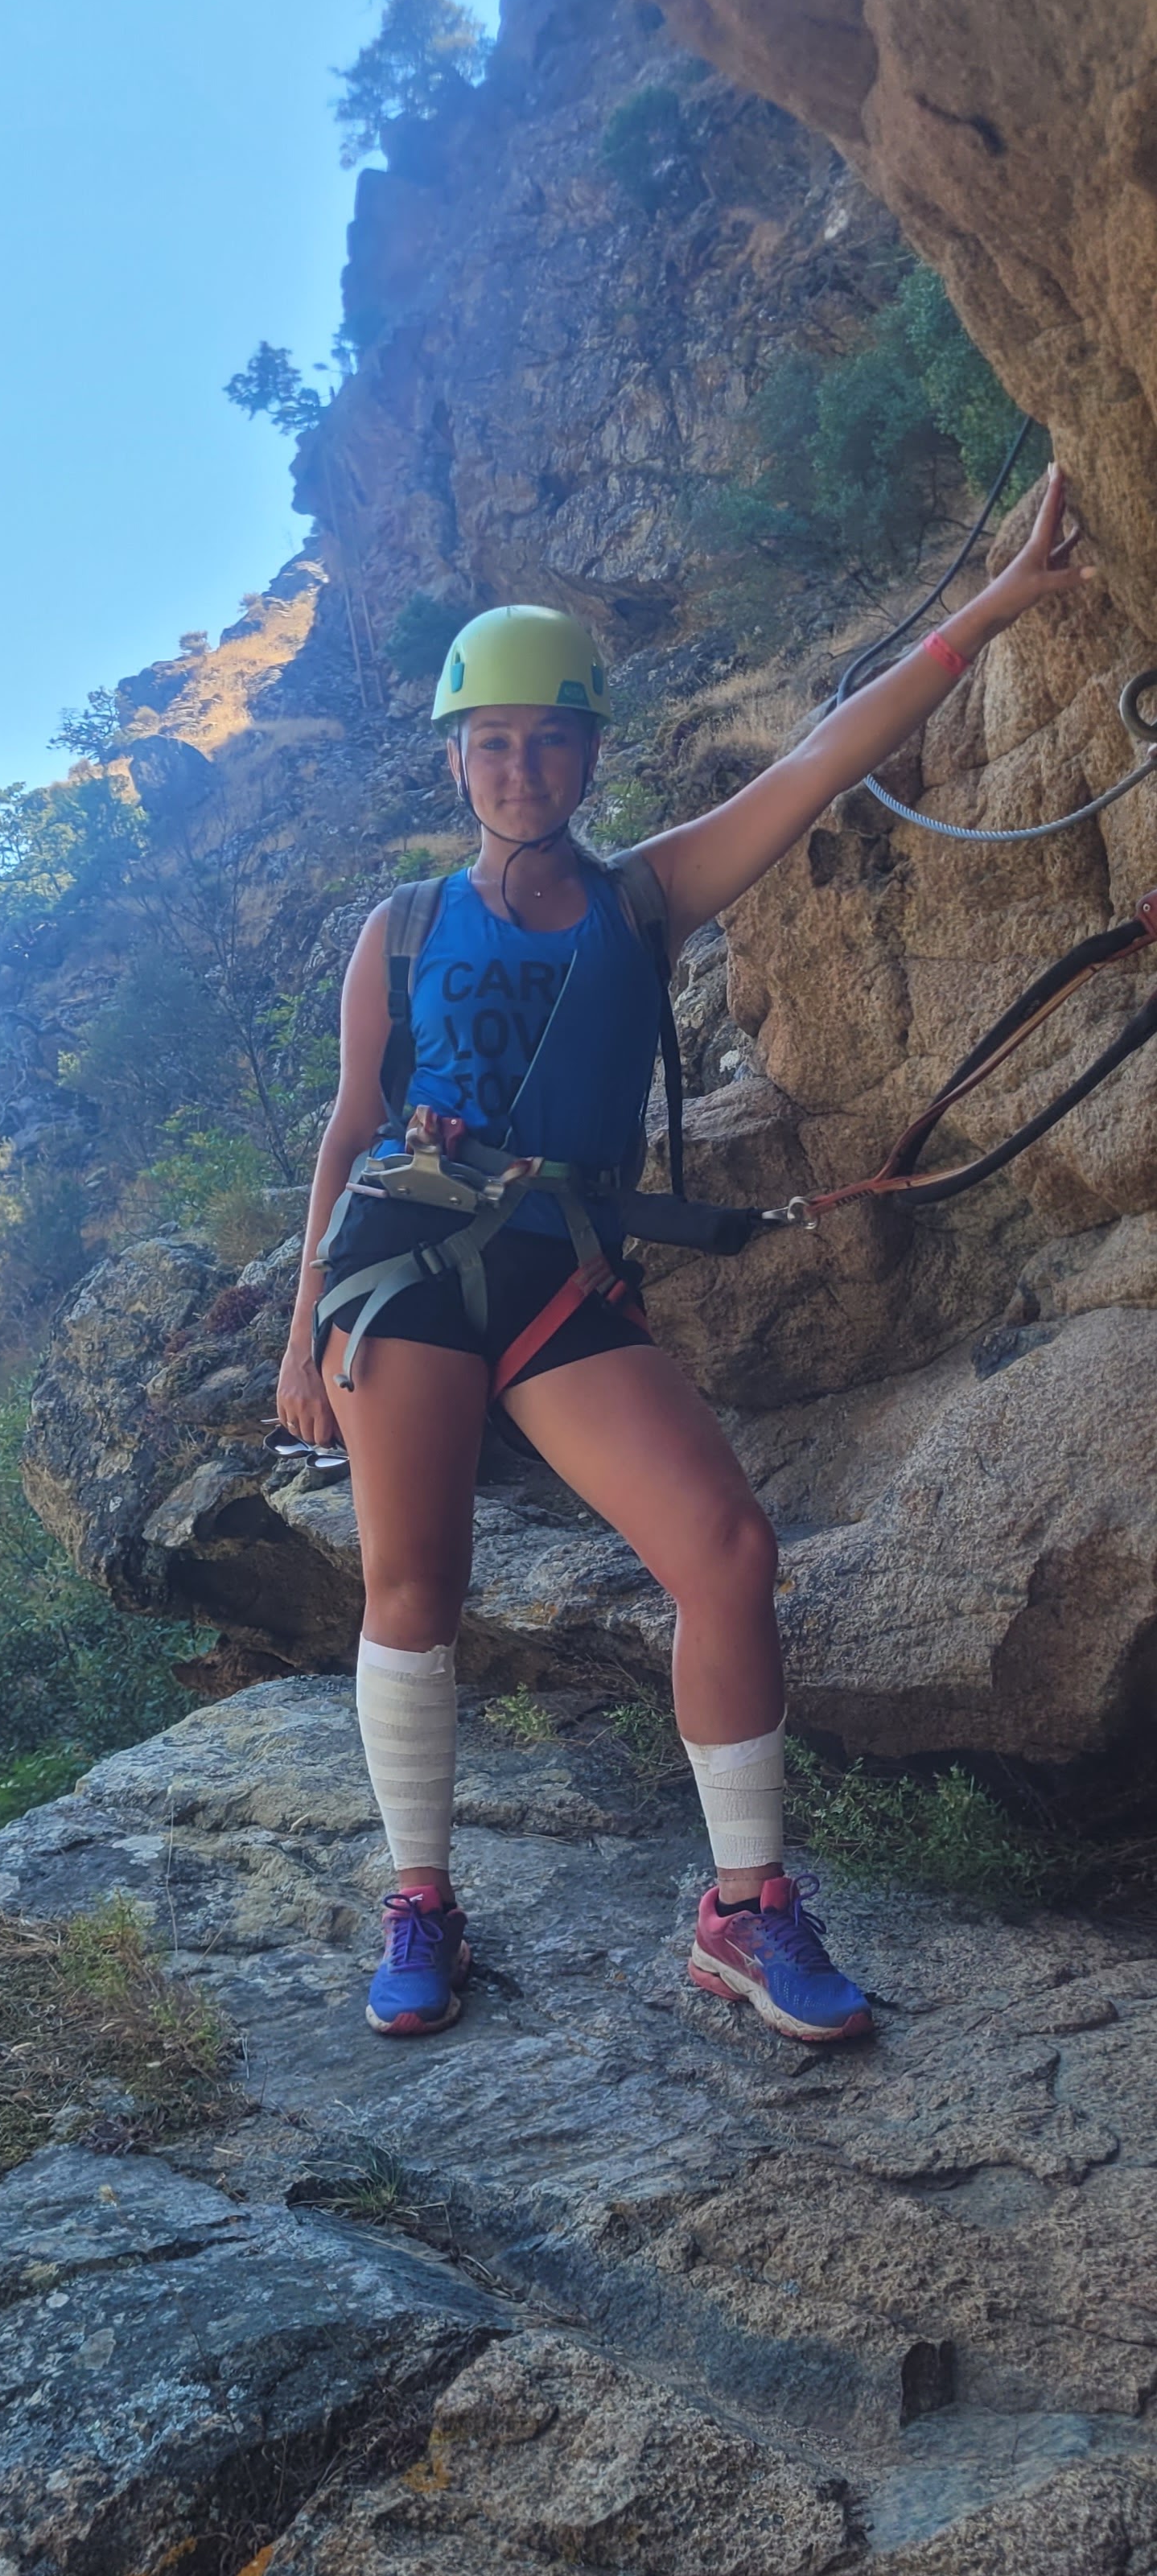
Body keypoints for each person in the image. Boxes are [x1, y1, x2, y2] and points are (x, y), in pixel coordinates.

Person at [275, 468, 1088, 2043]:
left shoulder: (644, 900)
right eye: (491, 742)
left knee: (725, 1552)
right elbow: (350, 1123)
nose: (519, 767)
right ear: (455, 760)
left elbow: (819, 761)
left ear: (588, 754)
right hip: (401, 1265)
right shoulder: (399, 927)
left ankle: (744, 1910)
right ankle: (420, 1902)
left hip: (564, 1272)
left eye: (546, 739)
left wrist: (989, 604)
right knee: (413, 1583)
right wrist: (300, 1324)